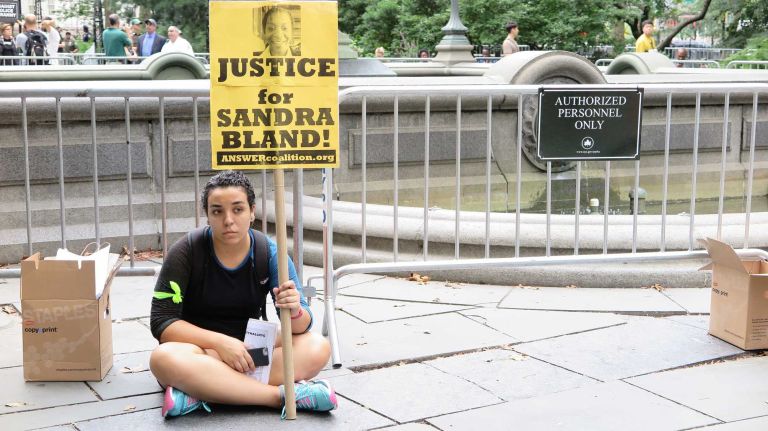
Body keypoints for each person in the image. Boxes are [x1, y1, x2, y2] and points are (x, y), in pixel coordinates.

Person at [149, 170, 337, 418]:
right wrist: (221, 343)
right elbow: (162, 322)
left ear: (252, 212)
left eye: (237, 209)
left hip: (252, 353)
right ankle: (282, 396)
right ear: (207, 215)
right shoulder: (186, 251)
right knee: (163, 358)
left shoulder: (268, 252)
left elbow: (301, 326)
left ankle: (202, 389)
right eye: (217, 211)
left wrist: (295, 311)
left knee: (317, 347)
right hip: (200, 351)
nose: (228, 220)